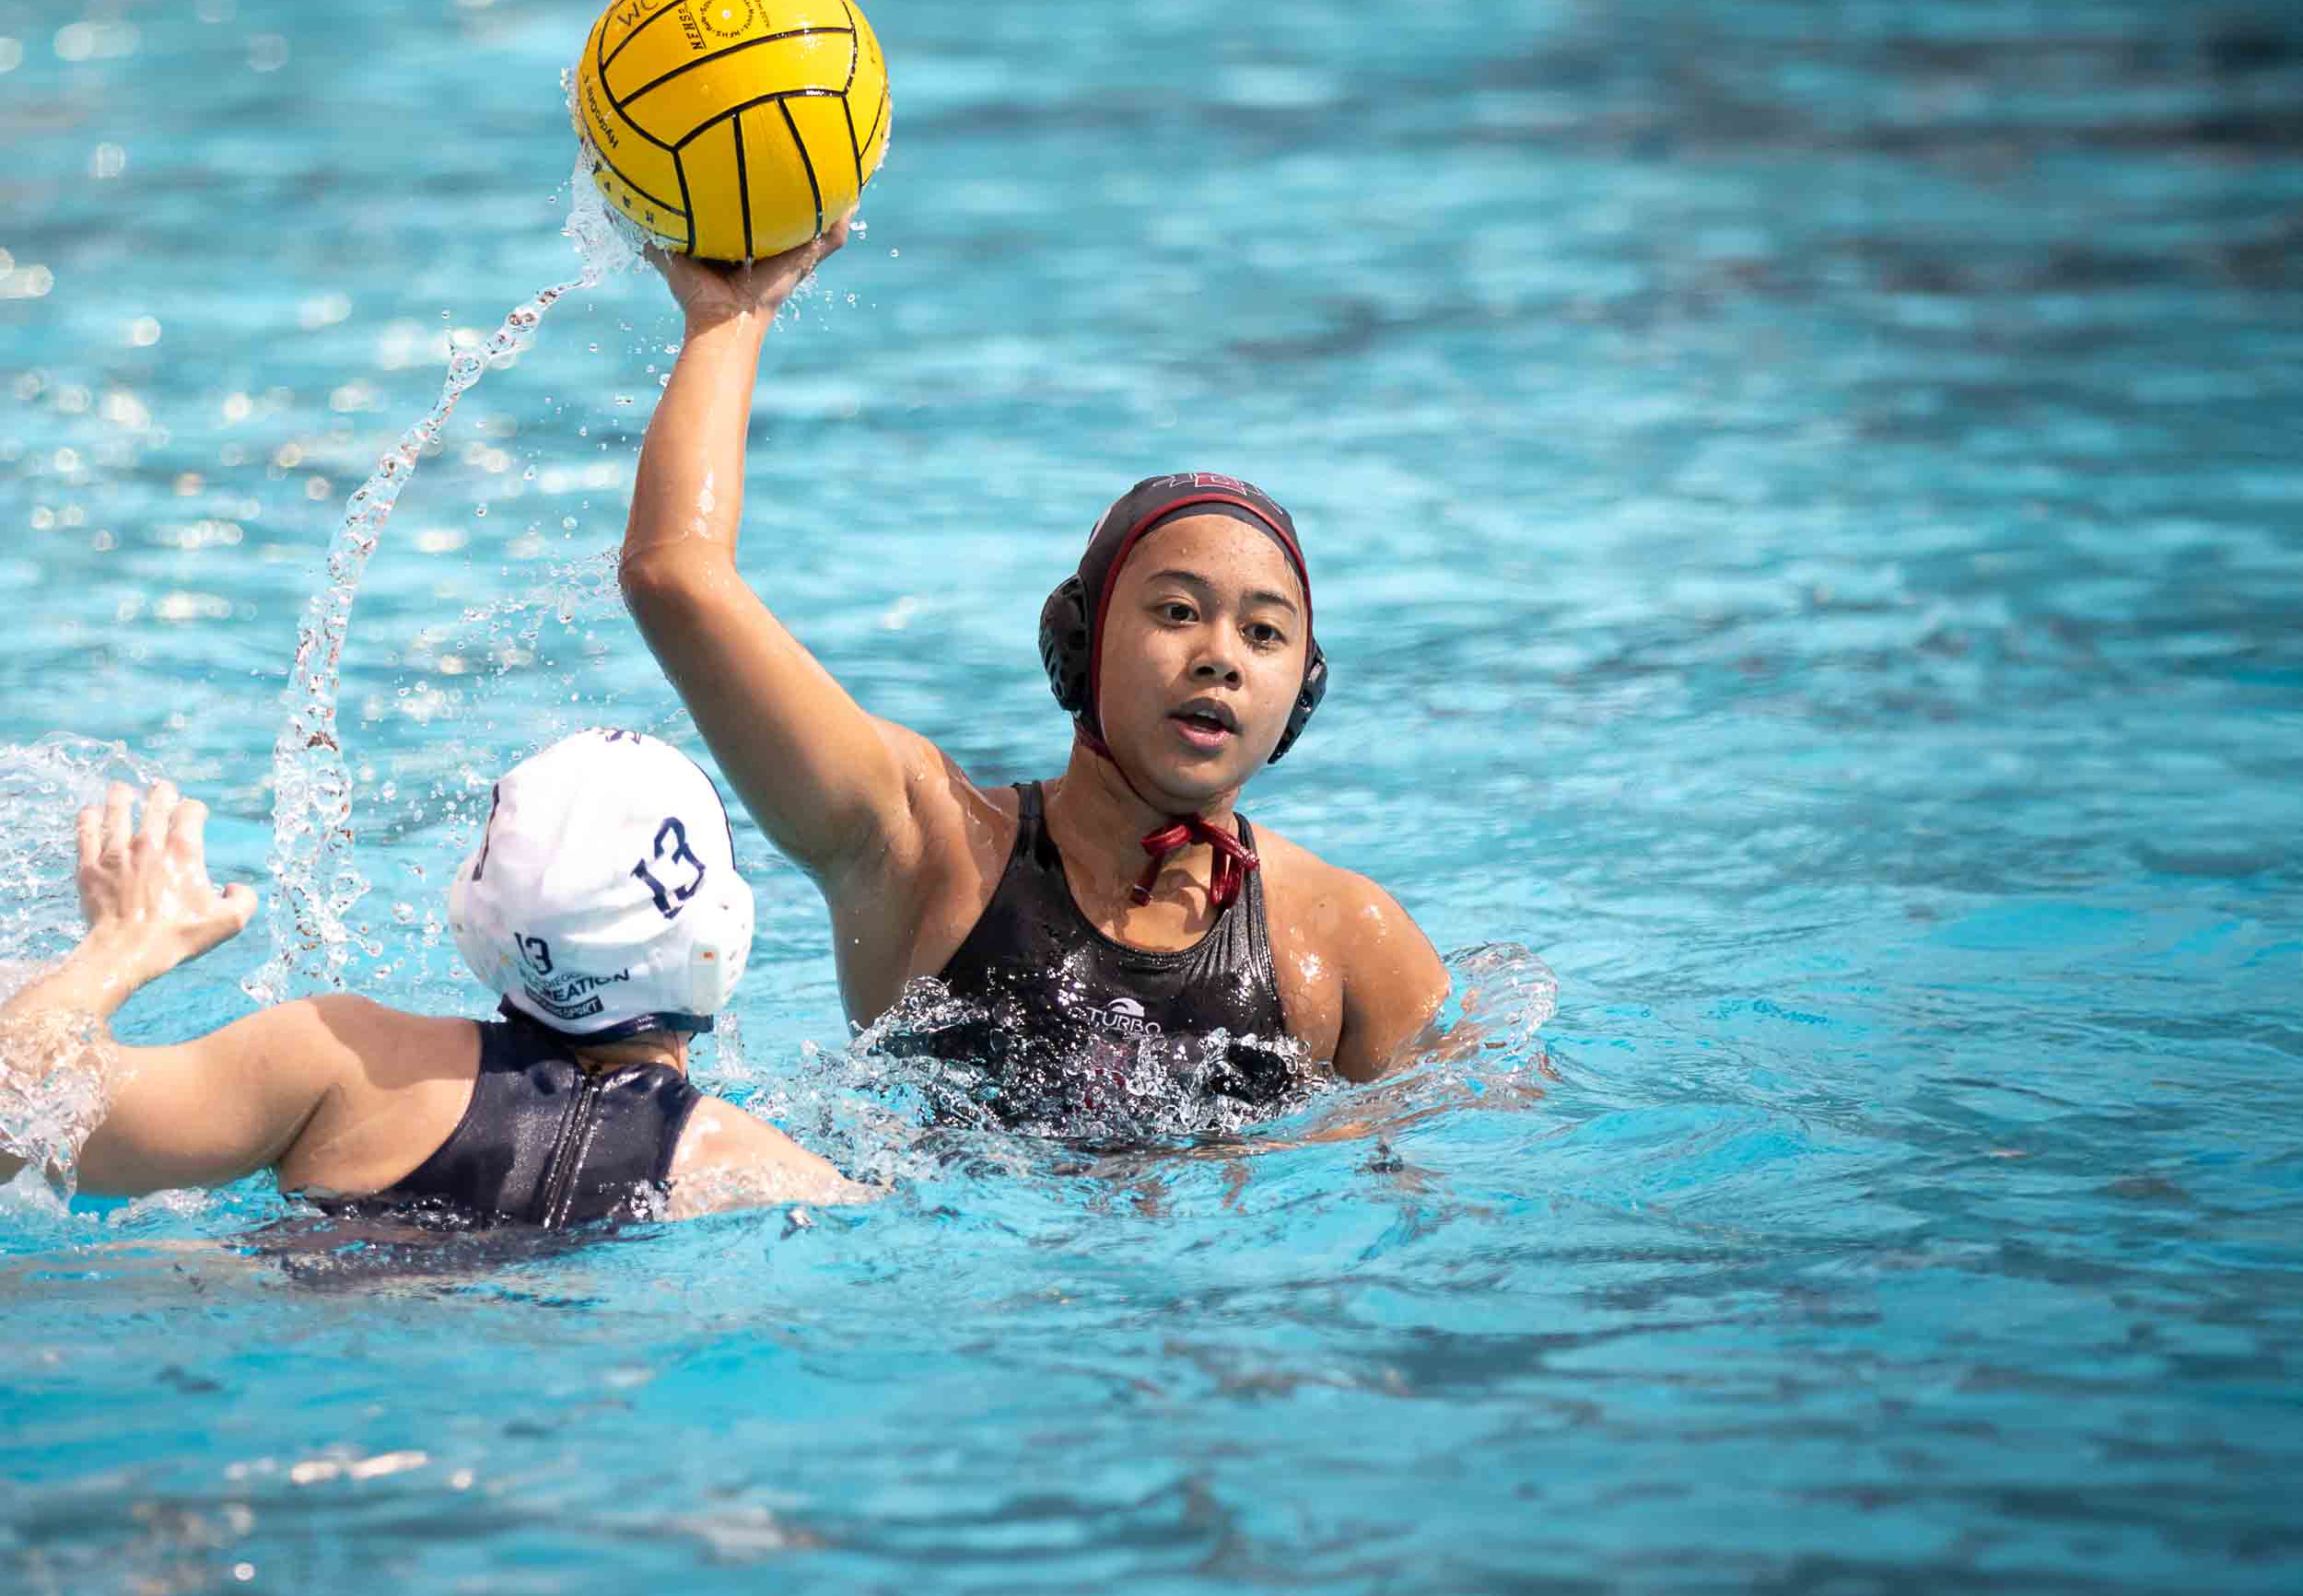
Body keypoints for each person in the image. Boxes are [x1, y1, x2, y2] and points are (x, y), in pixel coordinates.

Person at [617, 223, 1453, 1125]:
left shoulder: (1342, 936)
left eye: (1263, 632)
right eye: (1175, 611)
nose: (1220, 654)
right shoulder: (925, 853)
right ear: (1079, 640)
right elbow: (675, 578)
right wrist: (729, 319)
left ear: (1303, 691)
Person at [0, 731, 857, 1224]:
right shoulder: (762, 1172)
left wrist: (120, 942)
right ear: (720, 936)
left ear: (477, 922)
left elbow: (17, 1117)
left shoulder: (340, 1062)